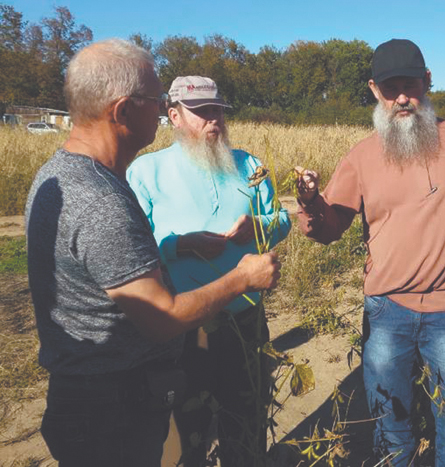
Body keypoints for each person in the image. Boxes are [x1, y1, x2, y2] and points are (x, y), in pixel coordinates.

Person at [24, 39, 280, 467]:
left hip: (101, 396)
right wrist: (243, 278)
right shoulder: (100, 199)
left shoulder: (63, 174)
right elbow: (162, 319)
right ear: (124, 110)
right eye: (155, 99)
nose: (162, 110)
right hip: (110, 411)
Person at [295, 38, 445, 467]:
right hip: (387, 313)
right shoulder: (362, 155)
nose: (402, 97)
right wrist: (308, 202)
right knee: (390, 427)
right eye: (390, 87)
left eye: (411, 85)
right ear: (374, 90)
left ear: (428, 81)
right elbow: (328, 228)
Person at [126, 75, 291, 466]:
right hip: (184, 326)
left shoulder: (249, 164)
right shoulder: (146, 172)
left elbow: (281, 219)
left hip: (246, 318)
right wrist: (181, 244)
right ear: (174, 116)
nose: (213, 120)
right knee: (186, 429)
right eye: (201, 113)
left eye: (218, 111)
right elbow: (134, 248)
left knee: (246, 417)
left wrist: (259, 225)